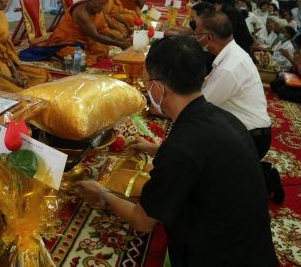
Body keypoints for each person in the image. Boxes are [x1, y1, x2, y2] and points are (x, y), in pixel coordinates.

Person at [74, 36, 278, 266]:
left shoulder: (182, 146)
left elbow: (142, 221)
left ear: (159, 88)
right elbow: (202, 162)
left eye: (146, 83)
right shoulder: (226, 118)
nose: (147, 90)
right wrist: (154, 149)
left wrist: (102, 194)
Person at [195, 11, 283, 204]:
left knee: (208, 183)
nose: (195, 38)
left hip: (251, 137)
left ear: (208, 38)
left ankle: (265, 178)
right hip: (246, 131)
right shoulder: (231, 53)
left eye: (196, 34)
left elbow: (198, 107)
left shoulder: (230, 67)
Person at [41, 0, 130, 66]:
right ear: (91, 1)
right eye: (101, 4)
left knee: (103, 49)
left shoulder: (95, 10)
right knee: (78, 58)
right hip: (66, 42)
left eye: (104, 4)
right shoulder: (81, 13)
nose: (102, 8)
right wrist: (120, 44)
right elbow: (95, 36)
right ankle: (58, 55)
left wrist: (121, 40)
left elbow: (103, 30)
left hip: (84, 42)